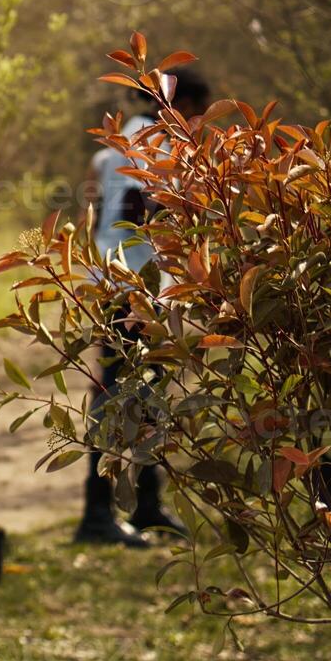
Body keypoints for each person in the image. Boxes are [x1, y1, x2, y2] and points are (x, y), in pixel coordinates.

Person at [74, 68, 211, 547]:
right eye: (194, 110)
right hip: (139, 287)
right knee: (120, 394)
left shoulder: (108, 150)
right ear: (180, 103)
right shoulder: (165, 147)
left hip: (111, 279)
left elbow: (89, 214)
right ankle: (96, 513)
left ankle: (147, 504)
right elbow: (161, 213)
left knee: (144, 395)